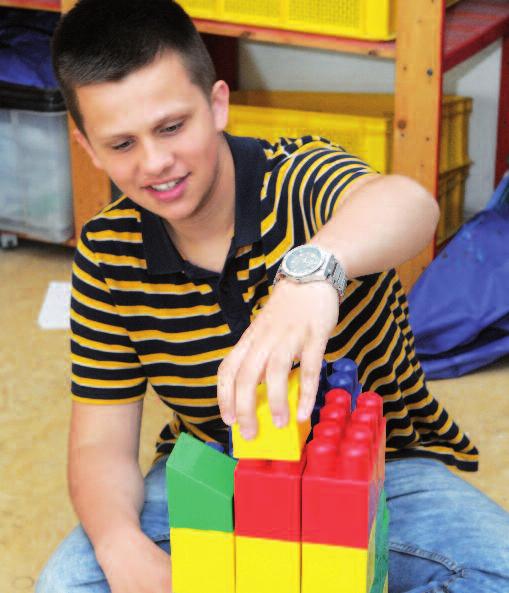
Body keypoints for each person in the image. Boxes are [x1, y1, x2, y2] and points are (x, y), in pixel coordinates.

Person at [37, 1, 509, 592]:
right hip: (216, 470)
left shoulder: (302, 179)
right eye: (122, 144)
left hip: (382, 472)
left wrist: (313, 274)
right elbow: (100, 446)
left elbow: (410, 206)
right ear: (87, 147)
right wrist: (118, 544)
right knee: (69, 582)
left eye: (171, 126)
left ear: (216, 105)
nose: (156, 163)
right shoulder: (108, 253)